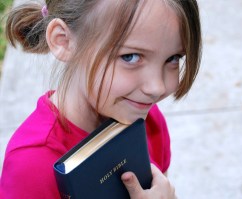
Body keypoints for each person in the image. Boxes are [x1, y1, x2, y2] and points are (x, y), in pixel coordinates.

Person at [0, 0, 202, 198]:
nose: (157, 87)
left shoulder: (148, 121)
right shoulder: (30, 165)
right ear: (64, 41)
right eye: (130, 57)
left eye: (173, 58)